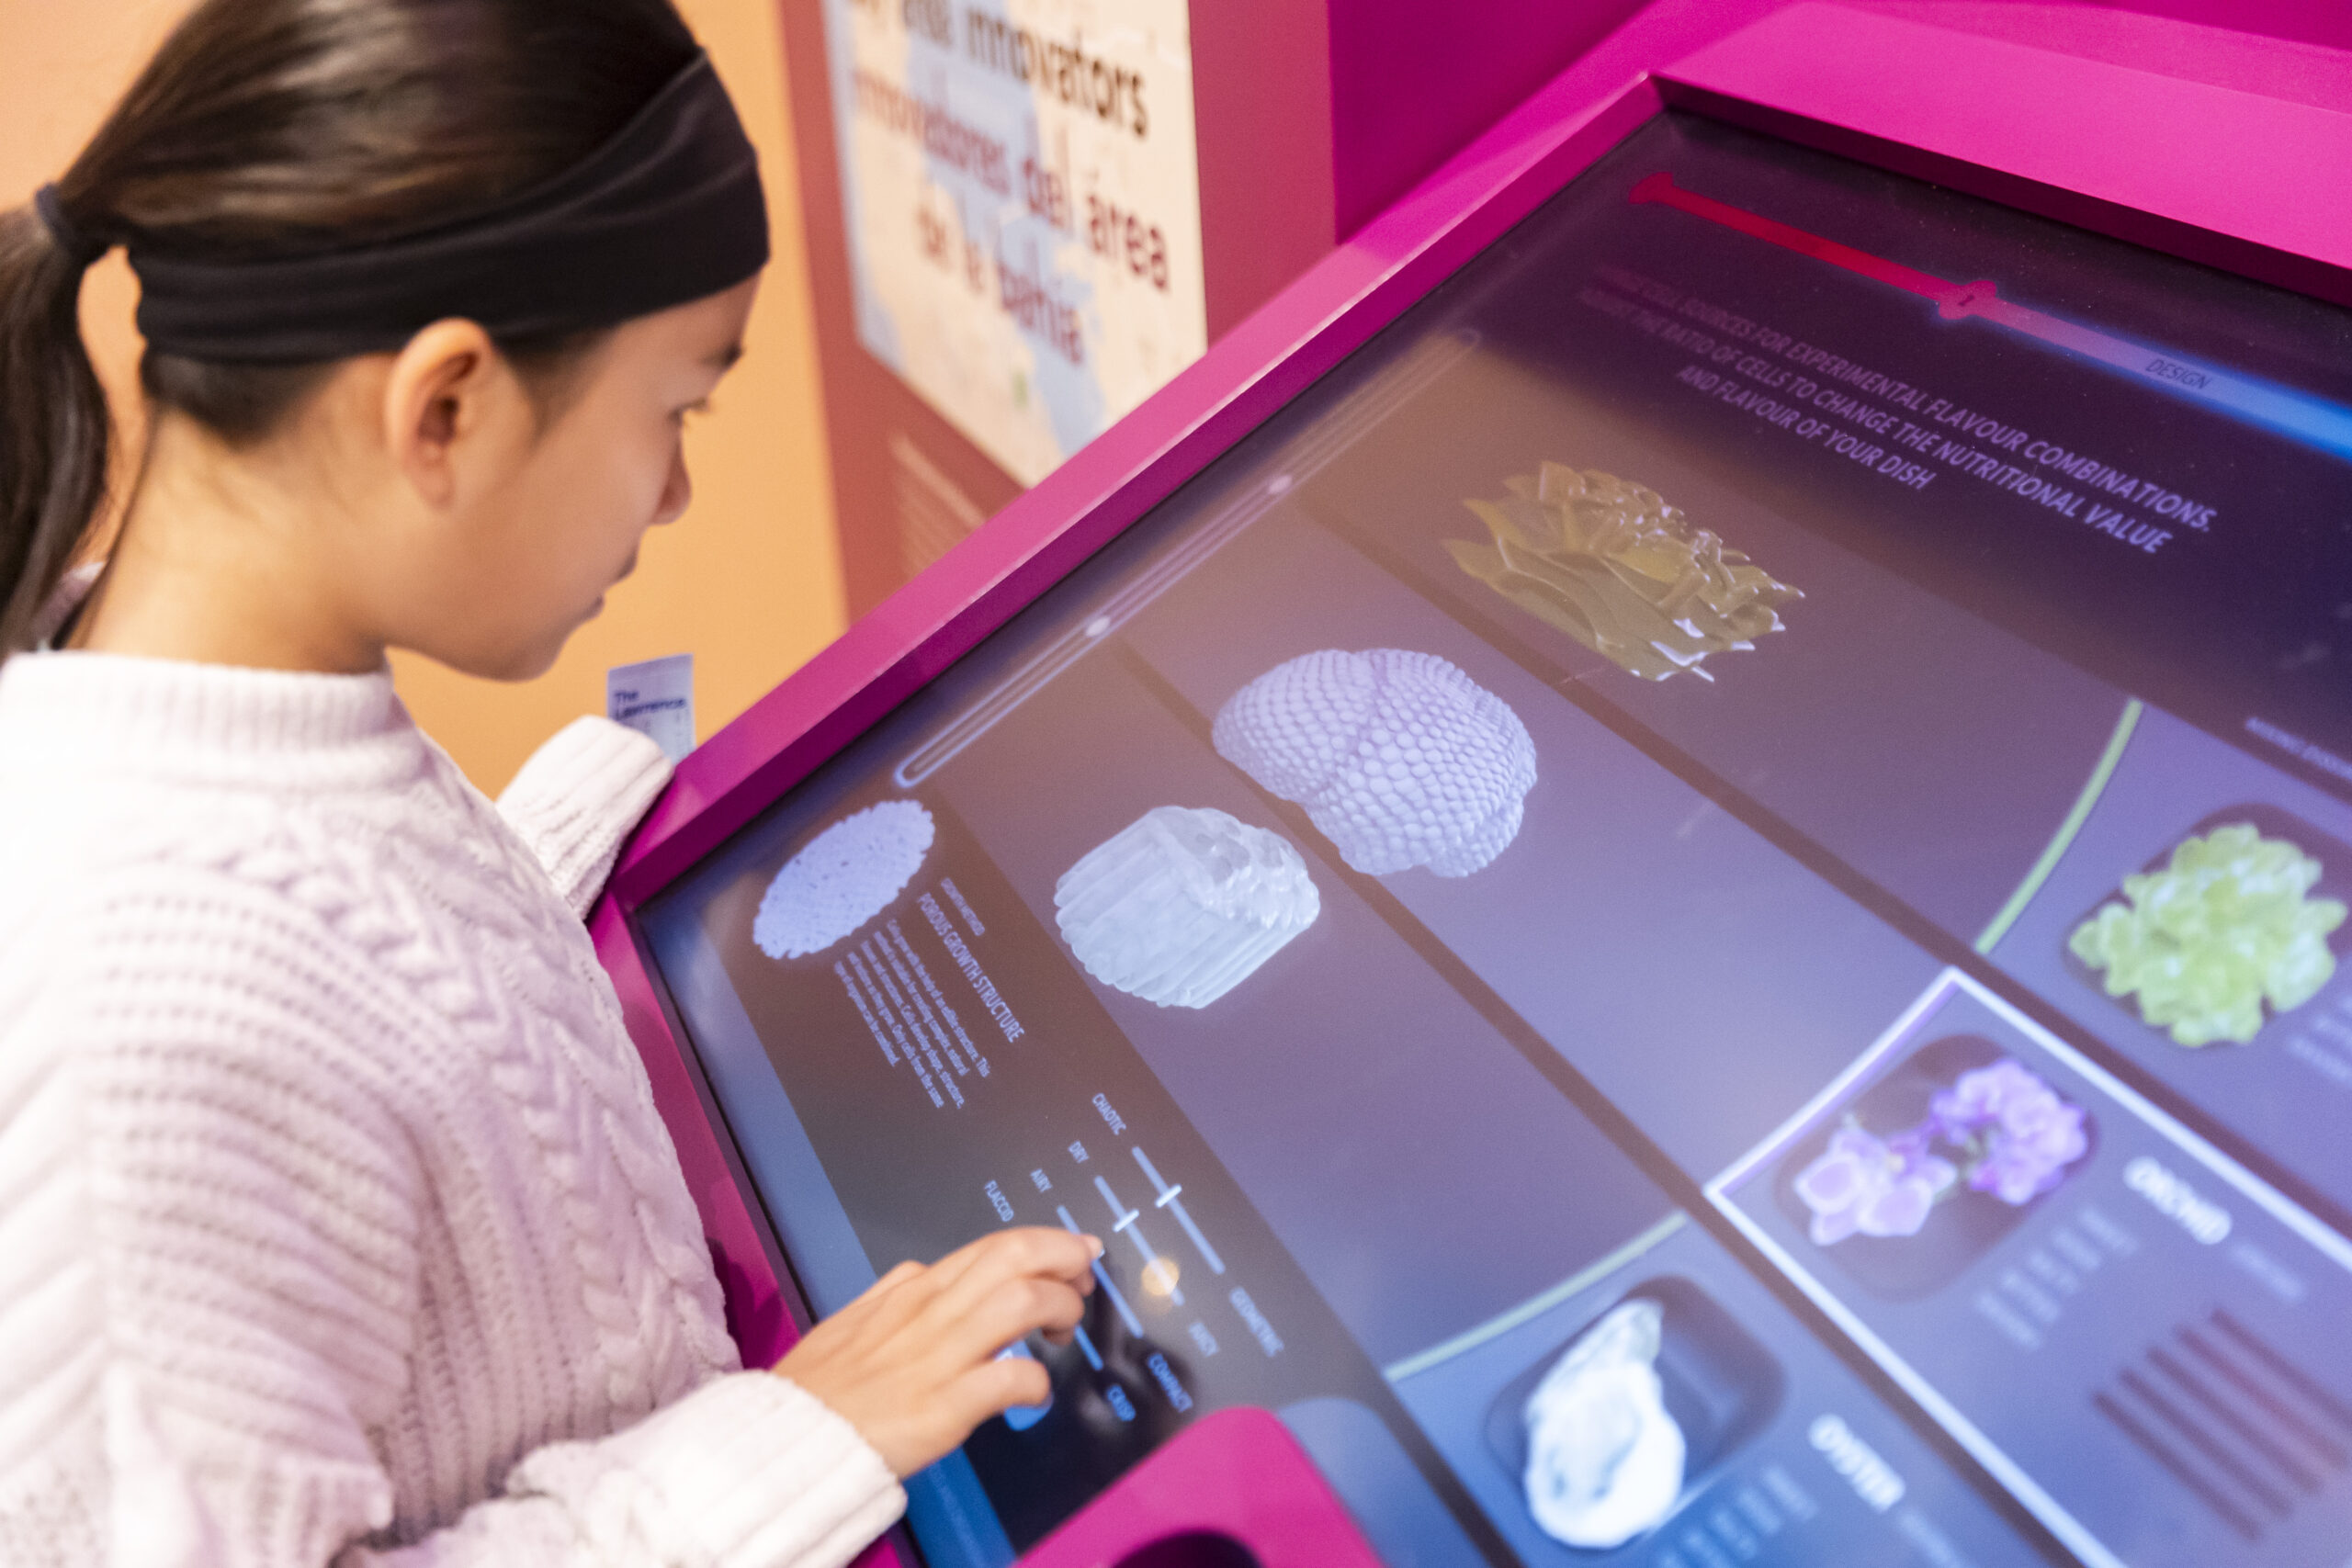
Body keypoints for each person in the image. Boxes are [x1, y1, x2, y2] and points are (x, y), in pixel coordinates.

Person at [0, 2, 1099, 1563]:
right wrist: (796, 1445)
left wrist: (563, 843)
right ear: (442, 408)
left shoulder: (235, 700)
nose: (676, 491)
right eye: (674, 409)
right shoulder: (128, 1014)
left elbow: (357, 1003)